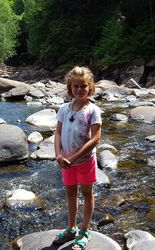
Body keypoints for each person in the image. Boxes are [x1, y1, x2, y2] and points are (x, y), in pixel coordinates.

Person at [53, 66, 102, 250]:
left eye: (84, 86)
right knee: (70, 193)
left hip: (84, 161)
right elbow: (57, 133)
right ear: (70, 88)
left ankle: (84, 230)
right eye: (76, 86)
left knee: (87, 193)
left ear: (90, 87)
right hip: (65, 161)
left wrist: (74, 158)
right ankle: (71, 227)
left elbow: (96, 138)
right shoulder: (64, 109)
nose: (80, 90)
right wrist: (58, 154)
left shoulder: (93, 110)